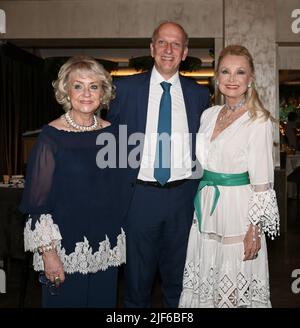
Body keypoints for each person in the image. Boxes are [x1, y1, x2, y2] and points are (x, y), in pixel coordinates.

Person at [107, 21, 210, 307]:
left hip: (183, 199)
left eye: (176, 44)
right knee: (137, 286)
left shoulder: (199, 94)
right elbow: (108, 139)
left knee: (179, 285)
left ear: (185, 51)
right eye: (162, 42)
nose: (168, 49)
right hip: (140, 198)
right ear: (152, 48)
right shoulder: (124, 89)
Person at [19, 55, 126, 307]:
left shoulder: (114, 133)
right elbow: (37, 205)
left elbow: (120, 189)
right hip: (66, 249)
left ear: (103, 91)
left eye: (93, 86)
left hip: (106, 247)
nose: (86, 93)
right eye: (78, 85)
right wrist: (49, 254)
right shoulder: (51, 136)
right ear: (66, 91)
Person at [179, 45, 280, 308]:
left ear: (251, 79)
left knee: (233, 286)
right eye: (225, 71)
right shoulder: (208, 115)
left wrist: (254, 230)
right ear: (217, 77)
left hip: (238, 210)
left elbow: (262, 184)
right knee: (207, 280)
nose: (232, 79)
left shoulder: (259, 121)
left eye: (240, 72)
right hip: (206, 206)